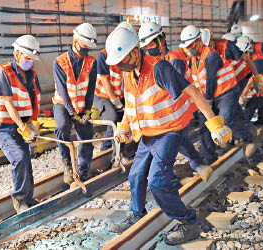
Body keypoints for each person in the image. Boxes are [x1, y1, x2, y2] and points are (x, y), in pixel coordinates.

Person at [106, 27, 232, 245]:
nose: (120, 65)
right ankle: (137, 213)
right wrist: (123, 126)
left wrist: (214, 124)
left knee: (157, 182)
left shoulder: (159, 68)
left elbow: (193, 92)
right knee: (135, 174)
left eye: (122, 59)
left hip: (168, 131)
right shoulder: (127, 73)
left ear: (135, 51)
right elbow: (130, 102)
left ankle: (188, 222)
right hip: (148, 132)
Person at [138, 22, 212, 182]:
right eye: (146, 46)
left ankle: (194, 167)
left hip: (180, 110)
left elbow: (173, 93)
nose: (148, 48)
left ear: (162, 40)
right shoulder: (152, 62)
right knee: (172, 142)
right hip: (166, 113)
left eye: (151, 44)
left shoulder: (173, 60)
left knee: (174, 141)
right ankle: (196, 165)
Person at [180, 25, 256, 165]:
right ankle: (209, 158)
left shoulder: (211, 56)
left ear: (199, 41)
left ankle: (248, 139)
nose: (188, 49)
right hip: (210, 95)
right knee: (206, 126)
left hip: (226, 92)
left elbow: (211, 80)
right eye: (186, 46)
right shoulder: (193, 59)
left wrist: (207, 99)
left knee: (226, 120)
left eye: (190, 45)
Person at [0, 35, 42, 213]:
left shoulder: (32, 74)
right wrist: (23, 127)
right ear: (17, 54)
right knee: (19, 157)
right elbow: (8, 102)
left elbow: (33, 100)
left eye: (32, 59)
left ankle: (28, 199)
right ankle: (19, 201)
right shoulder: (5, 71)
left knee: (26, 159)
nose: (30, 62)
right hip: (2, 127)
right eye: (27, 58)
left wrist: (32, 125)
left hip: (20, 125)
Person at [52, 23, 98, 183]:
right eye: (84, 47)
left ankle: (83, 171)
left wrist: (85, 111)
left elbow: (90, 89)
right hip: (63, 105)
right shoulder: (60, 62)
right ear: (75, 40)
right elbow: (63, 90)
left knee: (86, 136)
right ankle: (67, 166)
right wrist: (72, 112)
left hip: (82, 105)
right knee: (62, 126)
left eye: (88, 48)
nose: (85, 51)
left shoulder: (92, 62)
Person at [94, 22, 135, 153]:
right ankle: (111, 152)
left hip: (120, 95)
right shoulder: (103, 55)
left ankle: (115, 152)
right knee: (113, 118)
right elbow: (105, 80)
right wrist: (115, 101)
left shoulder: (129, 56)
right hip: (102, 95)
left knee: (122, 124)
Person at [236, 36, 263, 135]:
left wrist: (244, 95)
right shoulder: (251, 58)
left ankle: (245, 127)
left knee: (261, 104)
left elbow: (252, 80)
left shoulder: (262, 47)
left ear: (249, 48)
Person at [202, 29, 261, 93]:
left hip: (235, 81)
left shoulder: (227, 46)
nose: (209, 48)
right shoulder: (206, 53)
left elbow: (251, 77)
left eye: (209, 45)